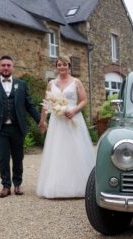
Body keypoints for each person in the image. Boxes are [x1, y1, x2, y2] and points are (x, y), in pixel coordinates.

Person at [0, 55, 46, 198]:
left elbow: (29, 105)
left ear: (13, 67)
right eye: (3, 65)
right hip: (0, 128)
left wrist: (40, 121)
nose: (5, 68)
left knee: (18, 157)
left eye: (8, 65)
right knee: (2, 158)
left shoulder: (21, 84)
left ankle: (17, 184)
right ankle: (5, 186)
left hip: (17, 127)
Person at [36, 55, 95, 198]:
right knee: (58, 152)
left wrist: (74, 110)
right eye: (59, 65)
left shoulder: (76, 82)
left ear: (69, 66)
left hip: (73, 119)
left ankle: (81, 186)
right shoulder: (51, 84)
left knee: (75, 150)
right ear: (56, 67)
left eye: (64, 64)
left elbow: (84, 100)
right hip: (57, 122)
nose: (62, 67)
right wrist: (43, 120)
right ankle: (57, 187)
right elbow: (46, 103)